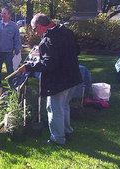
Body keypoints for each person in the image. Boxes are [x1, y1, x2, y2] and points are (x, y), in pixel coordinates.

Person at [18, 13, 82, 145]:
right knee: (64, 106)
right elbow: (77, 50)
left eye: (35, 29)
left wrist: (28, 67)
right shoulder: (66, 31)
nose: (35, 33)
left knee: (53, 108)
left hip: (59, 80)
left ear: (40, 26)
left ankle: (57, 139)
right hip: (73, 76)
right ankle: (67, 131)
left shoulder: (49, 40)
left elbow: (48, 64)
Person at [0, 7, 22, 89]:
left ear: (9, 15)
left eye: (5, 13)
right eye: (2, 13)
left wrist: (17, 50)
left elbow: (17, 39)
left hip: (9, 52)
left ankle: (11, 84)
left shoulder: (14, 26)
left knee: (10, 69)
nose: (2, 15)